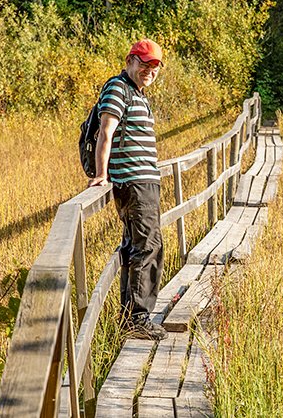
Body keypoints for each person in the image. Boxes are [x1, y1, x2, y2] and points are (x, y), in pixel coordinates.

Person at [88, 39, 167, 341]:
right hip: (133, 183)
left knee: (142, 246)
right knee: (146, 247)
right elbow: (105, 131)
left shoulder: (139, 93)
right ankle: (137, 319)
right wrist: (101, 174)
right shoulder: (118, 88)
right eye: (144, 63)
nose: (149, 70)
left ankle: (131, 317)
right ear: (130, 60)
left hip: (145, 181)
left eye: (155, 66)